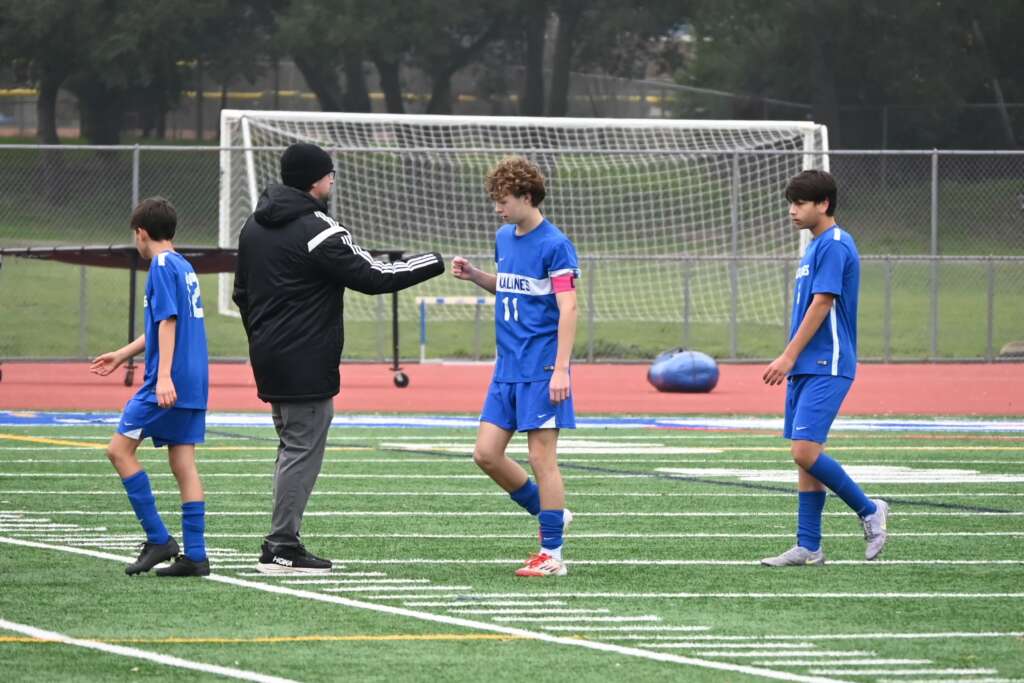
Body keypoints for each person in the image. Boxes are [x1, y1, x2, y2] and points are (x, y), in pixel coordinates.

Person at [233, 142, 444, 575]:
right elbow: (373, 276)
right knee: (300, 448)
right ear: (315, 180)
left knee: (292, 445)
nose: (333, 181)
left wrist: (264, 336)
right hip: (305, 359)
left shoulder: (253, 226)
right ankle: (281, 544)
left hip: (269, 354)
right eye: (329, 174)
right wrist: (432, 261)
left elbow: (242, 293)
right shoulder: (319, 230)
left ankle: (281, 540)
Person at [452, 156, 579, 577]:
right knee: (486, 454)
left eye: (503, 200)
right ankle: (552, 514)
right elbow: (509, 288)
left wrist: (561, 369)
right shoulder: (504, 238)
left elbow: (568, 307)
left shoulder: (555, 244)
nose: (498, 208)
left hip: (540, 368)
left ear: (527, 197)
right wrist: (476, 276)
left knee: (543, 459)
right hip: (506, 367)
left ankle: (553, 555)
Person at [761, 170, 889, 567]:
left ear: (824, 205)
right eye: (791, 202)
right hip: (807, 366)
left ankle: (869, 509)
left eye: (800, 203)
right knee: (807, 453)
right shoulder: (815, 247)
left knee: (804, 451)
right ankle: (809, 545)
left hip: (827, 363)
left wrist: (786, 355)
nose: (792, 210)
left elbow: (822, 304)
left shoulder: (835, 243)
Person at [91, 197, 210, 577]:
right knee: (183, 463)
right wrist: (123, 354)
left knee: (118, 451)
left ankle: (158, 538)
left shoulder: (159, 265)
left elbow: (169, 321)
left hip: (168, 379)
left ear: (141, 233)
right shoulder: (182, 264)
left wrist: (161, 377)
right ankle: (196, 556)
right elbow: (160, 325)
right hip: (194, 379)